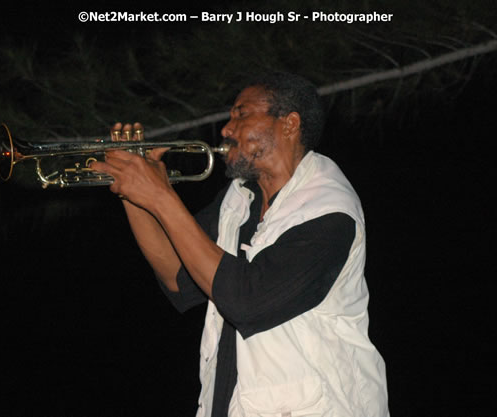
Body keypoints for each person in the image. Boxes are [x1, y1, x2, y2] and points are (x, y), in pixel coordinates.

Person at [90, 72, 389, 417]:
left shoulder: (329, 210)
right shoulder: (239, 200)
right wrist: (131, 191)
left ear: (289, 125)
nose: (226, 130)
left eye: (241, 114)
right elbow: (177, 276)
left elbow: (246, 302)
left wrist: (160, 196)